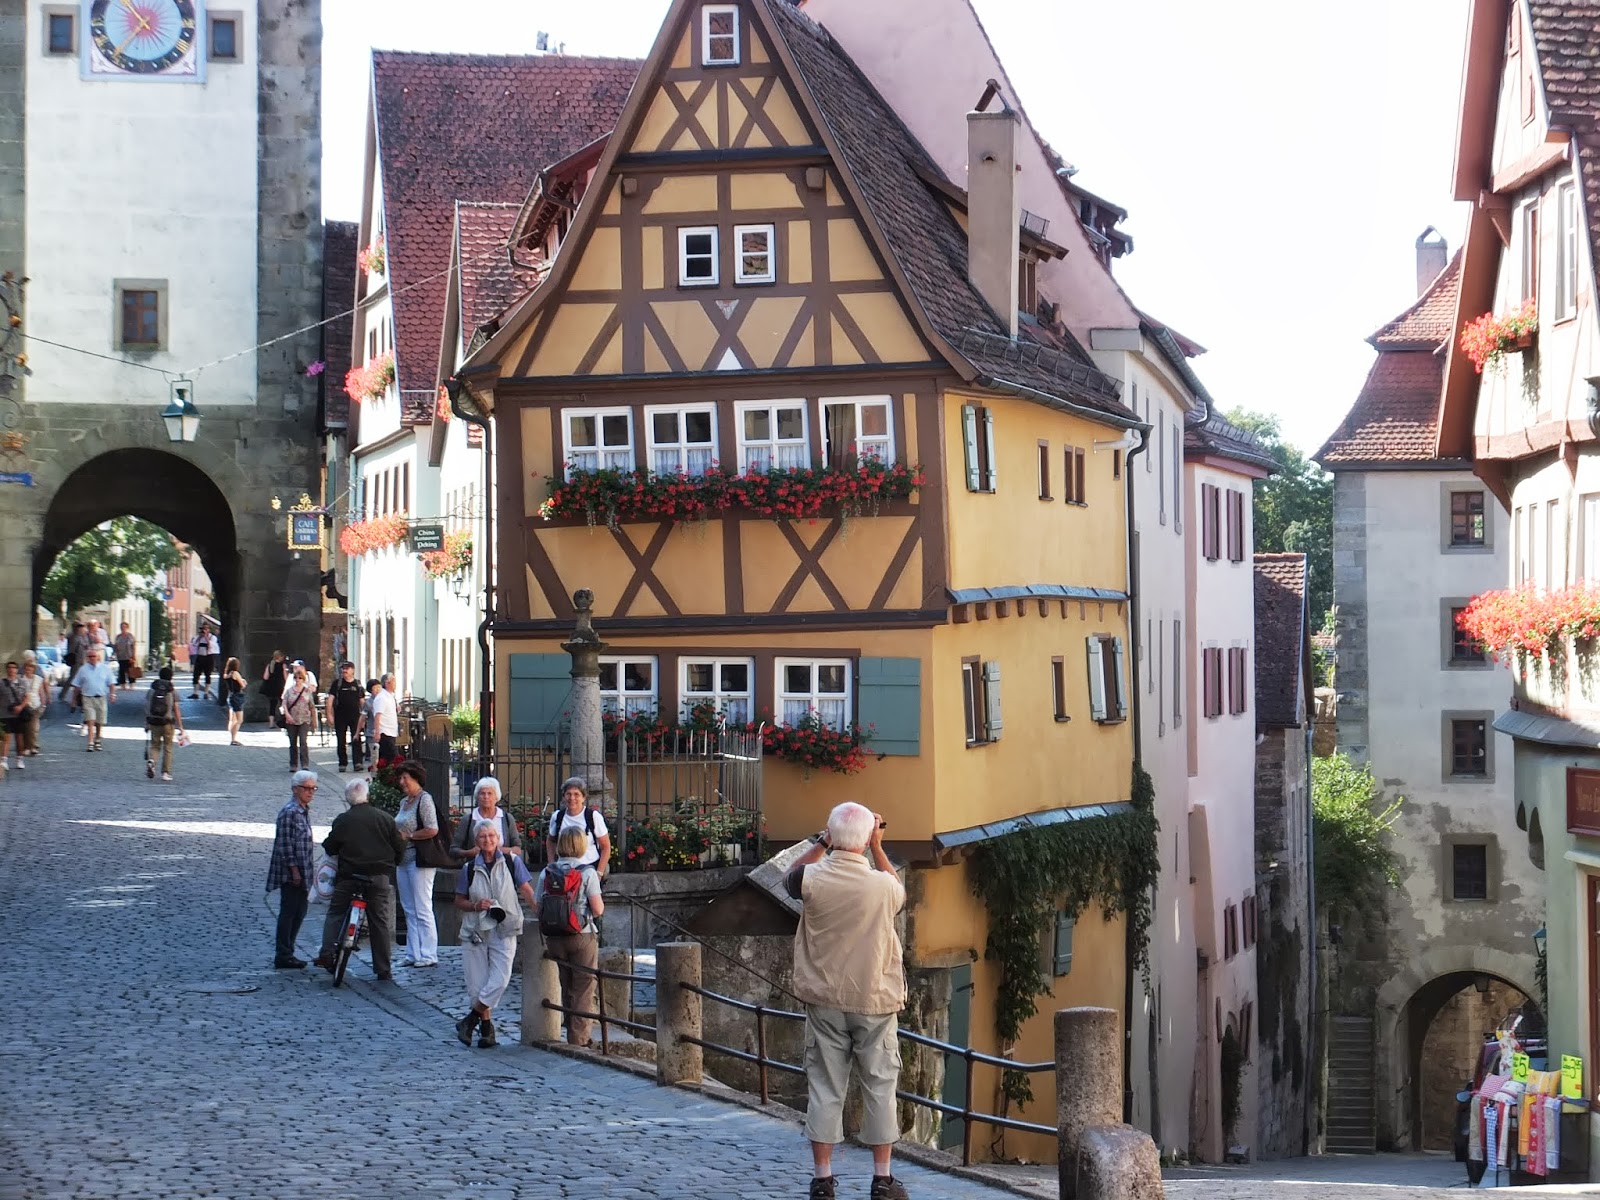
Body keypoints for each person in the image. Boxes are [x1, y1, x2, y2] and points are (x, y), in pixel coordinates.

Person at [784, 803, 909, 1200]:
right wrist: (878, 846)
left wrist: (824, 842)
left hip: (825, 998)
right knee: (880, 1086)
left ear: (832, 834)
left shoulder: (811, 879)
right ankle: (883, 1179)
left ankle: (823, 1180)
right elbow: (899, 892)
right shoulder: (883, 886)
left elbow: (788, 876)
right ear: (868, 837)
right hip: (874, 998)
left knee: (824, 1087)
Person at [454, 821, 537, 1048]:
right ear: (476, 841)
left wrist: (540, 912)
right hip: (476, 930)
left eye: (491, 835)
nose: (488, 840)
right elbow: (458, 900)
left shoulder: (511, 861)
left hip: (505, 927)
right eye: (482, 836)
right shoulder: (469, 868)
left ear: (498, 838)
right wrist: (475, 905)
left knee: (500, 980)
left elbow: (526, 889)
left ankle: (470, 1020)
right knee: (477, 985)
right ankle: (486, 1029)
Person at [313, 776, 405, 980]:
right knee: (379, 921)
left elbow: (330, 846)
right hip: (378, 876)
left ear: (348, 799)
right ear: (367, 796)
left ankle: (327, 952)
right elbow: (399, 847)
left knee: (336, 912)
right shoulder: (385, 819)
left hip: (349, 876)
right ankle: (383, 968)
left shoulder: (343, 820)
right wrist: (391, 865)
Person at [533, 826, 605, 1048]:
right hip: (581, 935)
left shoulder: (547, 872)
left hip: (554, 937)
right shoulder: (587, 873)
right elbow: (598, 909)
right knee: (584, 986)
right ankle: (579, 1039)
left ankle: (570, 1030)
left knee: (566, 983)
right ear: (581, 845)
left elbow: (538, 906)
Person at [266, 771, 319, 969]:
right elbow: (286, 845)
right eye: (307, 788)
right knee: (289, 912)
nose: (310, 792)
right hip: (292, 874)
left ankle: (288, 949)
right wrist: (294, 871)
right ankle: (284, 953)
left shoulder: (302, 810)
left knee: (299, 912)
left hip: (304, 871)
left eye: (313, 788)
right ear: (296, 789)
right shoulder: (290, 812)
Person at [393, 761, 441, 969]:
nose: (402, 782)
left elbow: (432, 829)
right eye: (401, 778)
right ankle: (413, 953)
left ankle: (429, 953)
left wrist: (410, 836)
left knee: (422, 908)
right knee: (408, 908)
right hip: (402, 860)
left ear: (416, 778)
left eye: (406, 778)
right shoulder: (404, 802)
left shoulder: (424, 799)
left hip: (420, 861)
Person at [546, 776, 611, 877]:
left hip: (589, 869)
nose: (572, 798)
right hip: (564, 870)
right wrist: (551, 864)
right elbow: (551, 841)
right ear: (564, 796)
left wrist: (599, 873)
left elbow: (605, 847)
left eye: (576, 794)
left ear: (583, 797)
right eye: (568, 794)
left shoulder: (593, 817)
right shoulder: (557, 816)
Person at [454, 776, 521, 859]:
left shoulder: (507, 818)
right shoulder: (468, 820)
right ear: (477, 796)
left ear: (496, 797)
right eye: (482, 793)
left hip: (503, 865)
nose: (486, 797)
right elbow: (454, 850)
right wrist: (469, 853)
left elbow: (518, 849)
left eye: (490, 793)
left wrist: (497, 850)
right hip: (476, 865)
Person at [68, 646, 117, 752]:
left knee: (99, 721)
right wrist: (73, 700)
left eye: (94, 656)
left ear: (98, 657)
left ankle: (97, 740)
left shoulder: (105, 669)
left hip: (101, 697)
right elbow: (76, 686)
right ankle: (90, 742)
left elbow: (111, 683)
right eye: (90, 656)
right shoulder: (83, 669)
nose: (92, 658)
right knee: (90, 720)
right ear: (87, 658)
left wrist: (112, 695)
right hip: (87, 698)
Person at [142, 665, 185, 782]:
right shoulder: (172, 691)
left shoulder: (152, 690)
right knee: (168, 747)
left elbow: (147, 707)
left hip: (154, 722)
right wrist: (180, 727)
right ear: (171, 677)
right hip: (167, 723)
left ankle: (152, 761)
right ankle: (166, 772)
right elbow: (176, 710)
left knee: (155, 745)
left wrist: (146, 723)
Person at [326, 661, 366, 773]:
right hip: (340, 716)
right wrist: (329, 714)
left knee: (356, 739)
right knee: (341, 740)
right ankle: (342, 763)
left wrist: (364, 717)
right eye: (343, 668)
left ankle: (357, 762)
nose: (344, 671)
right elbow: (330, 700)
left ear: (353, 670)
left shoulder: (358, 684)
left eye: (347, 668)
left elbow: (362, 702)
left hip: (355, 716)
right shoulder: (337, 684)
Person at [281, 662, 315, 772]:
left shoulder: (307, 691)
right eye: (296, 678)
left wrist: (314, 721)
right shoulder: (289, 691)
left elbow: (312, 706)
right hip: (291, 719)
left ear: (303, 679)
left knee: (303, 742)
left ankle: (305, 764)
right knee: (293, 743)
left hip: (304, 719)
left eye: (300, 678)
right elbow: (284, 704)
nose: (298, 680)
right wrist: (287, 715)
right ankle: (293, 764)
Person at [17, 658, 48, 759]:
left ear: (33, 669)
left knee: (34, 727)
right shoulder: (20, 679)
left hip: (36, 705)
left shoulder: (38, 679)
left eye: (30, 668)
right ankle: (27, 747)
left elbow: (41, 692)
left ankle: (33, 746)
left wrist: (43, 704)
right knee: (26, 727)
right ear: (24, 668)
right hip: (25, 705)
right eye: (27, 668)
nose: (28, 669)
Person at [0, 661, 27, 773]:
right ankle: (4, 760)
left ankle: (19, 758)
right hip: (5, 714)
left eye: (14, 668)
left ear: (17, 669)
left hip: (19, 714)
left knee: (19, 737)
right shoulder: (1, 683)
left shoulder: (22, 682)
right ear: (7, 669)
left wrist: (21, 707)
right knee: (6, 738)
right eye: (9, 667)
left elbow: (26, 696)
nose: (11, 670)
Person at [372, 673, 400, 761]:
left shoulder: (391, 696)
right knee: (393, 758)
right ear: (387, 683)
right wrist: (377, 732)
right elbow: (377, 715)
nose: (395, 683)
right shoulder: (382, 697)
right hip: (385, 732)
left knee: (388, 759)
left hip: (391, 731)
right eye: (393, 681)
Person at [221, 657, 247, 746]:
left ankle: (232, 737)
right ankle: (233, 739)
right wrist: (243, 681)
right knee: (239, 720)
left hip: (231, 696)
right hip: (237, 696)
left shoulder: (226, 675)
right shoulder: (235, 673)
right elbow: (242, 685)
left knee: (232, 719)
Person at [191, 628, 219, 700]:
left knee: (208, 675)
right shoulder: (198, 637)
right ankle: (195, 693)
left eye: (205, 629)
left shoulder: (212, 637)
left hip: (208, 657)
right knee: (196, 675)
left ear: (209, 630)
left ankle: (206, 693)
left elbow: (211, 646)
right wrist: (200, 637)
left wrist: (206, 637)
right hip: (200, 657)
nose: (203, 631)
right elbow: (194, 644)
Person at [261, 651, 287, 725]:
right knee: (283, 704)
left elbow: (265, 677)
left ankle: (271, 723)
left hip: (272, 688)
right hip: (281, 687)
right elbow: (286, 677)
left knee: (272, 705)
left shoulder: (270, 665)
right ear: (280, 657)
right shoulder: (283, 665)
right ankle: (284, 720)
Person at [361, 678, 381, 767]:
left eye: (379, 687)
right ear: (370, 690)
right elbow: (362, 717)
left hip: (383, 731)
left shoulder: (385, 700)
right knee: (375, 756)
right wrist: (358, 731)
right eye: (375, 688)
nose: (378, 690)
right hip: (372, 732)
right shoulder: (368, 703)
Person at [112, 622, 137, 688]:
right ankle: (123, 684)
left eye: (124, 627)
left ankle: (131, 684)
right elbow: (116, 645)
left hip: (129, 656)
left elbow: (133, 646)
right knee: (122, 671)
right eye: (122, 627)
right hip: (121, 656)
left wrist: (133, 656)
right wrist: (116, 653)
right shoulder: (118, 636)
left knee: (130, 670)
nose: (123, 628)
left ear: (127, 628)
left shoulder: (130, 636)